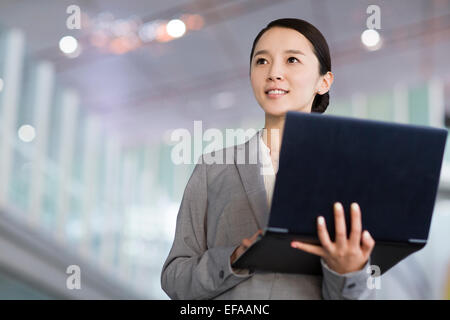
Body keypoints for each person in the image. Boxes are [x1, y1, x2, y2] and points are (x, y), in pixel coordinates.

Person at [161, 18, 376, 300]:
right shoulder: (213, 169)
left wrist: (349, 272)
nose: (274, 72)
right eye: (261, 61)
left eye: (292, 60)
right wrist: (233, 260)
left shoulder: (350, 175)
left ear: (324, 81)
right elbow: (174, 279)